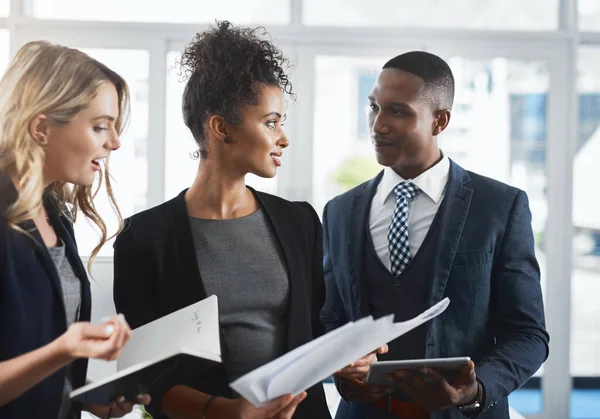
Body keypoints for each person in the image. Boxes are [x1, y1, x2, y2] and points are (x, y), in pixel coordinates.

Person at [112, 21, 331, 419]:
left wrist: (349, 361)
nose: (283, 138)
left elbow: (315, 330)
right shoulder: (144, 239)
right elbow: (145, 375)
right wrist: (226, 412)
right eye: (270, 122)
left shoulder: (299, 222)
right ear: (220, 128)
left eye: (282, 122)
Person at [321, 51, 550, 419]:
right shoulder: (340, 210)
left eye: (397, 111)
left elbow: (528, 335)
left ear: (439, 121)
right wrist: (342, 368)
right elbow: (331, 318)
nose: (378, 125)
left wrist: (475, 389)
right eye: (373, 107)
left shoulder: (500, 207)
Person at [0, 41, 151, 419]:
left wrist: (86, 397)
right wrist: (65, 350)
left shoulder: (55, 214)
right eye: (100, 126)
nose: (114, 142)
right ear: (41, 128)